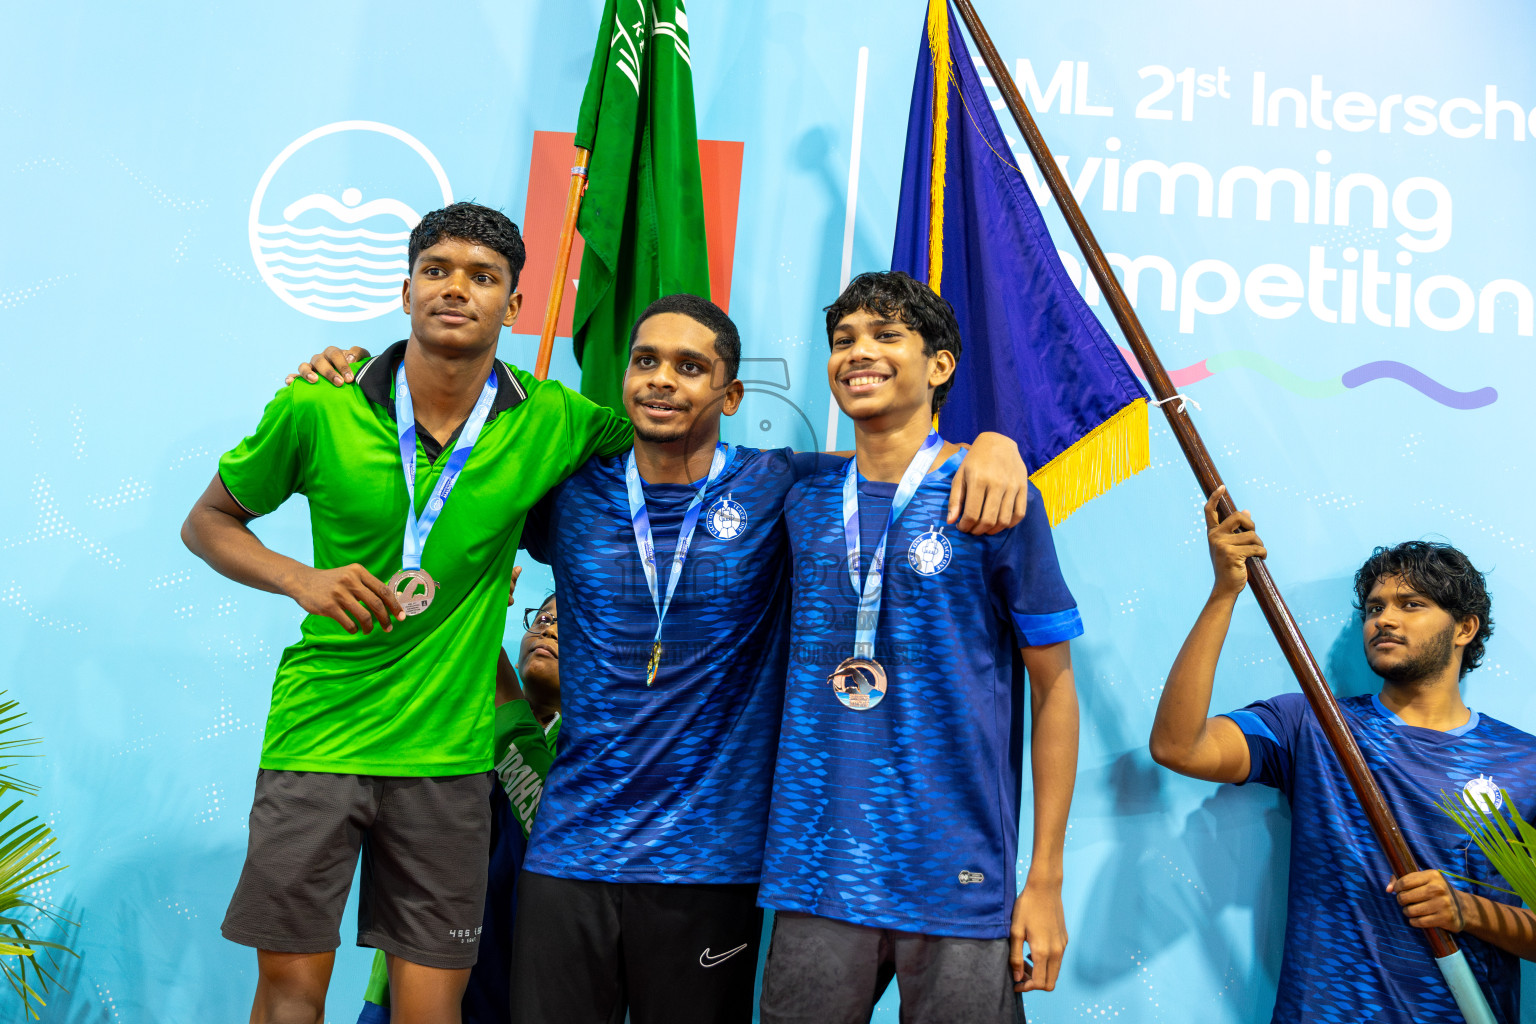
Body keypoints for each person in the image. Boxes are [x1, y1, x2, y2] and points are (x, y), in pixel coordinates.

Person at [294, 292, 1034, 1024]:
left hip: (712, 867)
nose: (661, 379)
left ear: (730, 392)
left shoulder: (779, 483)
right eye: (645, 360)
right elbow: (442, 458)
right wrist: (363, 375)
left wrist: (994, 447)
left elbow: (887, 461)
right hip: (569, 853)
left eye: (688, 366)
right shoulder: (568, 489)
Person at [181, 202, 632, 1024]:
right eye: (437, 271)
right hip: (319, 737)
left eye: (483, 277)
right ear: (405, 289)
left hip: (448, 759)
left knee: (429, 1010)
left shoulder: (556, 420)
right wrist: (299, 579)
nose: (457, 289)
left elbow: (673, 433)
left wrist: (942, 450)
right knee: (290, 994)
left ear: (515, 306)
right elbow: (206, 523)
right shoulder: (319, 405)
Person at [757, 271, 1083, 1024]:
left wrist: (1045, 880)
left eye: (885, 335)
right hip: (817, 871)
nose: (858, 353)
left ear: (940, 366)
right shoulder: (797, 494)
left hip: (956, 872)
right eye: (843, 341)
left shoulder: (994, 495)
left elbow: (1056, 691)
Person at [1149, 489, 1536, 1024]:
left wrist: (1467, 911)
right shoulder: (1312, 725)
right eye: (1375, 607)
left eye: (1412, 604)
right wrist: (1223, 595)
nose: (1384, 619)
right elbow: (1178, 746)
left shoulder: (1524, 762)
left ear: (1464, 629)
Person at [359, 580, 562, 1024]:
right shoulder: (459, 711)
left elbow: (548, 826)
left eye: (568, 630)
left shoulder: (596, 754)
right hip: (418, 957)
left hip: (520, 973)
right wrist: (471, 594)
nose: (549, 633)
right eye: (545, 619)